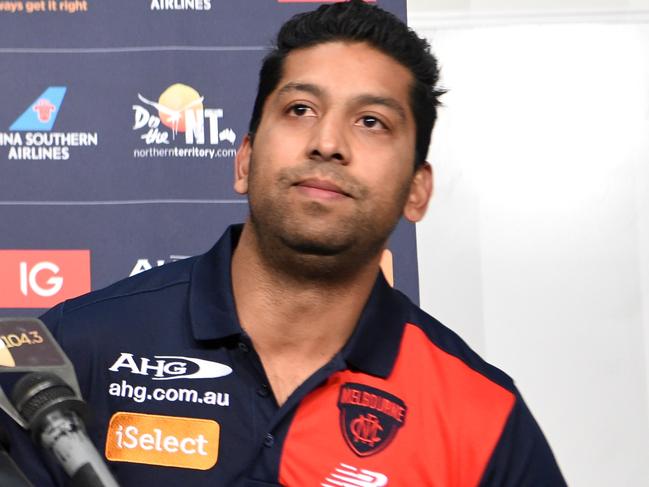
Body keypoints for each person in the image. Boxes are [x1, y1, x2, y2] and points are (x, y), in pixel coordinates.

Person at [1, 1, 566, 485]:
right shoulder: (78, 347)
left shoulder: (482, 414)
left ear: (417, 191)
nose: (327, 141)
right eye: (300, 109)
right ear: (244, 159)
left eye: (371, 121)